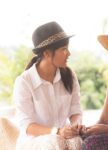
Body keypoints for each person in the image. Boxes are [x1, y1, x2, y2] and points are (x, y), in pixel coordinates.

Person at [13, 21, 83, 150]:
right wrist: (57, 131)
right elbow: (26, 125)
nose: (69, 53)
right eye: (64, 49)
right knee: (54, 143)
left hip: (62, 138)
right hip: (33, 142)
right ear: (46, 53)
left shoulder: (70, 76)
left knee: (78, 141)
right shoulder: (24, 82)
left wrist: (75, 126)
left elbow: (75, 111)